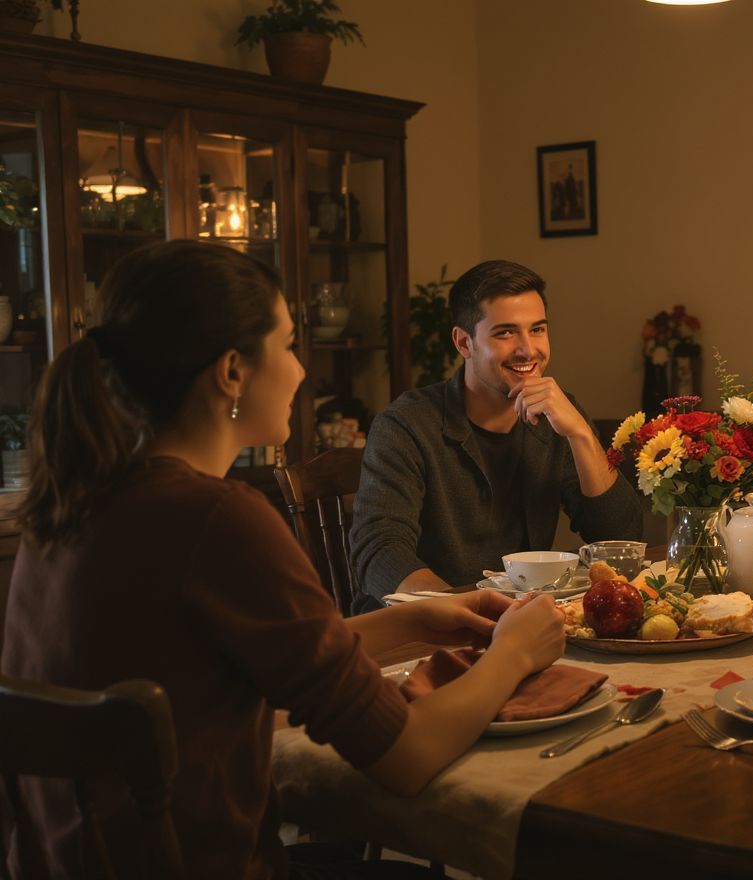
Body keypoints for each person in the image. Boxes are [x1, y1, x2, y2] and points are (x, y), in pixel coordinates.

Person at [1, 241, 566, 879]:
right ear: (232, 372)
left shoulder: (72, 502)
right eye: (290, 345)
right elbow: (409, 756)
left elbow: (232, 663)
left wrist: (416, 620)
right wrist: (513, 653)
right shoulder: (220, 520)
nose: (301, 372)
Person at [350, 259, 642, 605]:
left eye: (537, 330)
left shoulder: (559, 414)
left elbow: (620, 540)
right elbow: (380, 551)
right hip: (423, 628)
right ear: (463, 343)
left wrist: (579, 433)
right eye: (505, 332)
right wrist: (467, 611)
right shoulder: (406, 424)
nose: (528, 349)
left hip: (521, 623)